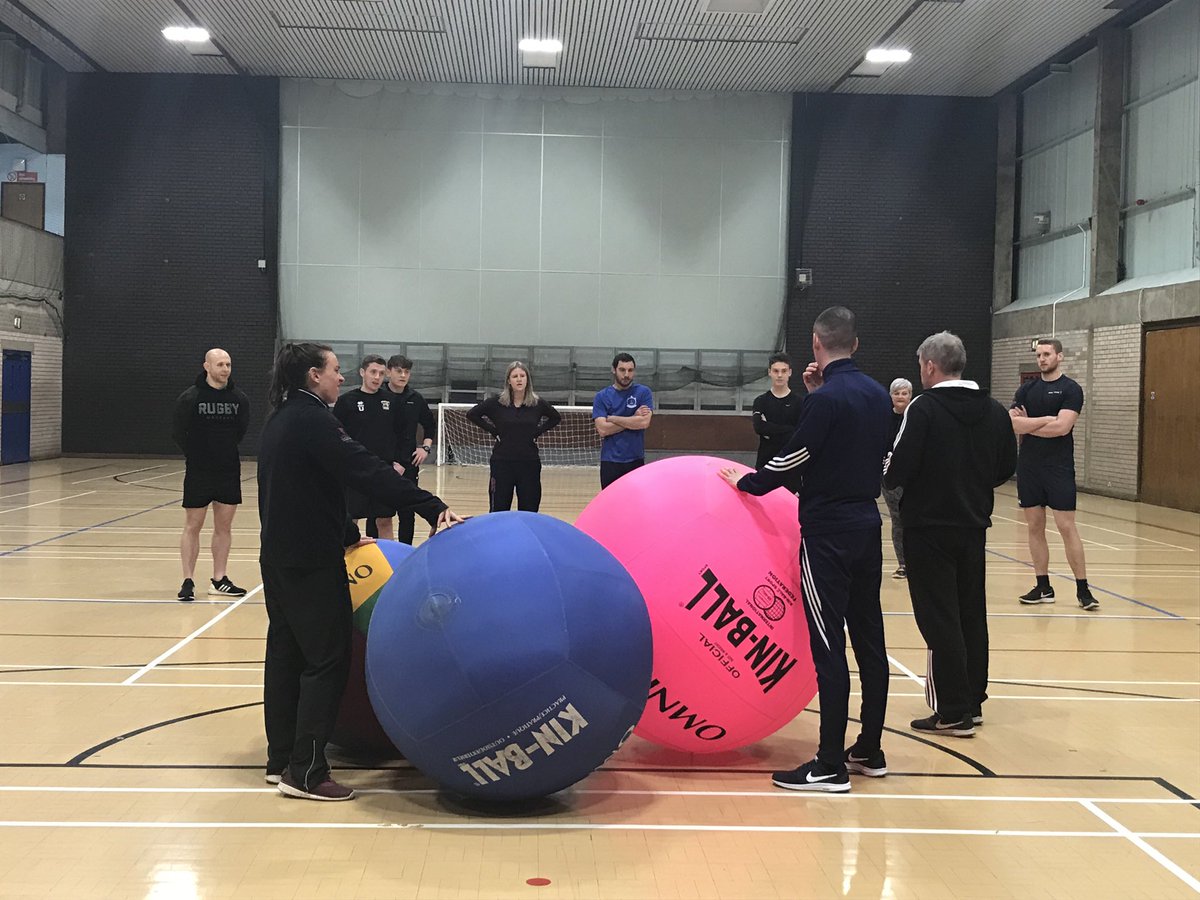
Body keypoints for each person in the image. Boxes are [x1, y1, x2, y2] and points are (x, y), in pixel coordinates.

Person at [258, 342, 463, 802]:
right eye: (334, 371)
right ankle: (306, 773)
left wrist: (349, 533)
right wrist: (432, 506)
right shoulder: (313, 420)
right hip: (310, 561)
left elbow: (309, 489)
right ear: (313, 376)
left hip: (279, 555)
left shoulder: (282, 417)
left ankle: (282, 758)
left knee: (287, 654)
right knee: (326, 659)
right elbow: (363, 471)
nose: (341, 378)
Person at [719, 306, 892, 794]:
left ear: (816, 345)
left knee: (827, 643)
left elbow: (793, 459)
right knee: (869, 637)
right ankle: (870, 748)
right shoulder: (879, 395)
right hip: (866, 525)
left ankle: (829, 763)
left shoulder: (825, 401)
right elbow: (869, 450)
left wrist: (748, 481)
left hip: (828, 533)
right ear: (854, 344)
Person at [883, 332, 1017, 737]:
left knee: (938, 617)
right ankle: (972, 699)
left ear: (928, 366)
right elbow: (1006, 466)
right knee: (970, 613)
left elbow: (896, 469)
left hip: (928, 528)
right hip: (973, 526)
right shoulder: (994, 410)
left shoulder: (923, 409)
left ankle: (952, 710)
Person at [1008, 339, 1097, 610]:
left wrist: (1031, 424)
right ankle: (1043, 586)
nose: (1042, 359)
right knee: (1034, 527)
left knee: (1066, 526)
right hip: (1030, 468)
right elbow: (1012, 424)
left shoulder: (1071, 389)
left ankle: (1083, 590)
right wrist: (1046, 420)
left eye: (1047, 354)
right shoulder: (1026, 390)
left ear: (1059, 356)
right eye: (1038, 355)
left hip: (1058, 468)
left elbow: (1062, 427)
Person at [172, 348, 250, 602]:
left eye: (228, 364)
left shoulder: (239, 399)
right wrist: (197, 455)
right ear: (207, 366)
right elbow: (178, 432)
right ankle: (187, 580)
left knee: (223, 528)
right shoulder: (190, 398)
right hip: (198, 470)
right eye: (220, 364)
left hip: (228, 469)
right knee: (193, 525)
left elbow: (241, 431)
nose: (225, 369)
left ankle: (219, 579)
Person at [466, 361, 562, 512]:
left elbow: (556, 418)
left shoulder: (537, 403)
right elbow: (472, 414)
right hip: (502, 463)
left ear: (527, 379)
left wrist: (537, 432)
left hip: (529, 463)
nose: (519, 379)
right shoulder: (496, 403)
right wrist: (493, 431)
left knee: (529, 510)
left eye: (522, 376)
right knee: (499, 509)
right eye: (515, 376)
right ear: (508, 381)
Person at [333, 354, 397, 540]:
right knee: (351, 519)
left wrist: (399, 461)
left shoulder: (391, 401)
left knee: (384, 520)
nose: (377, 377)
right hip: (355, 469)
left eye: (381, 373)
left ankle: (388, 564)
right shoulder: (347, 401)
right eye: (373, 372)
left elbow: (400, 433)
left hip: (383, 469)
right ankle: (349, 564)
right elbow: (336, 433)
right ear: (363, 372)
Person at [385, 355, 437, 545]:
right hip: (383, 462)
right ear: (388, 371)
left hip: (409, 462)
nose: (403, 375)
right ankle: (379, 553)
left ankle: (405, 551)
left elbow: (430, 426)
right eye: (399, 371)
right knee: (380, 511)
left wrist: (425, 447)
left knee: (407, 511)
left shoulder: (415, 398)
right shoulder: (379, 396)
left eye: (407, 372)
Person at [592, 352, 654, 489]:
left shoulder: (644, 393)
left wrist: (613, 418)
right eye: (622, 370)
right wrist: (633, 419)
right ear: (613, 370)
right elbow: (603, 429)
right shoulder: (601, 396)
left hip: (635, 460)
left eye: (630, 370)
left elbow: (644, 423)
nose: (626, 375)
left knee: (635, 504)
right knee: (611, 505)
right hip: (610, 461)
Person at [751, 353, 802, 470]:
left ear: (790, 372)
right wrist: (789, 430)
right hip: (765, 463)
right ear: (770, 372)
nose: (780, 375)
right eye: (776, 371)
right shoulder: (760, 401)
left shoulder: (799, 402)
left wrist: (770, 431)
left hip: (790, 463)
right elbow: (759, 427)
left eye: (784, 371)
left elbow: (798, 434)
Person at [882, 378, 912, 579]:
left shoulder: (916, 417)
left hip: (912, 477)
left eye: (904, 393)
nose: (900, 397)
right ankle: (903, 563)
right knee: (897, 519)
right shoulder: (883, 418)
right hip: (889, 477)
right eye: (897, 393)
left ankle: (916, 561)